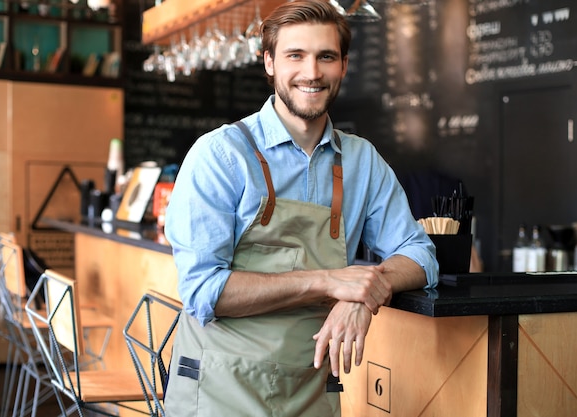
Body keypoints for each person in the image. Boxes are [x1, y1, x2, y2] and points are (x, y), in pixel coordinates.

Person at [163, 1, 439, 415]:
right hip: (219, 387)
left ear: (344, 65)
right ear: (269, 63)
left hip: (310, 391)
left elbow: (421, 255)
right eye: (296, 55)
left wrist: (363, 292)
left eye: (325, 56)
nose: (312, 73)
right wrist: (330, 281)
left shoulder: (362, 160)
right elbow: (206, 291)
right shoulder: (220, 155)